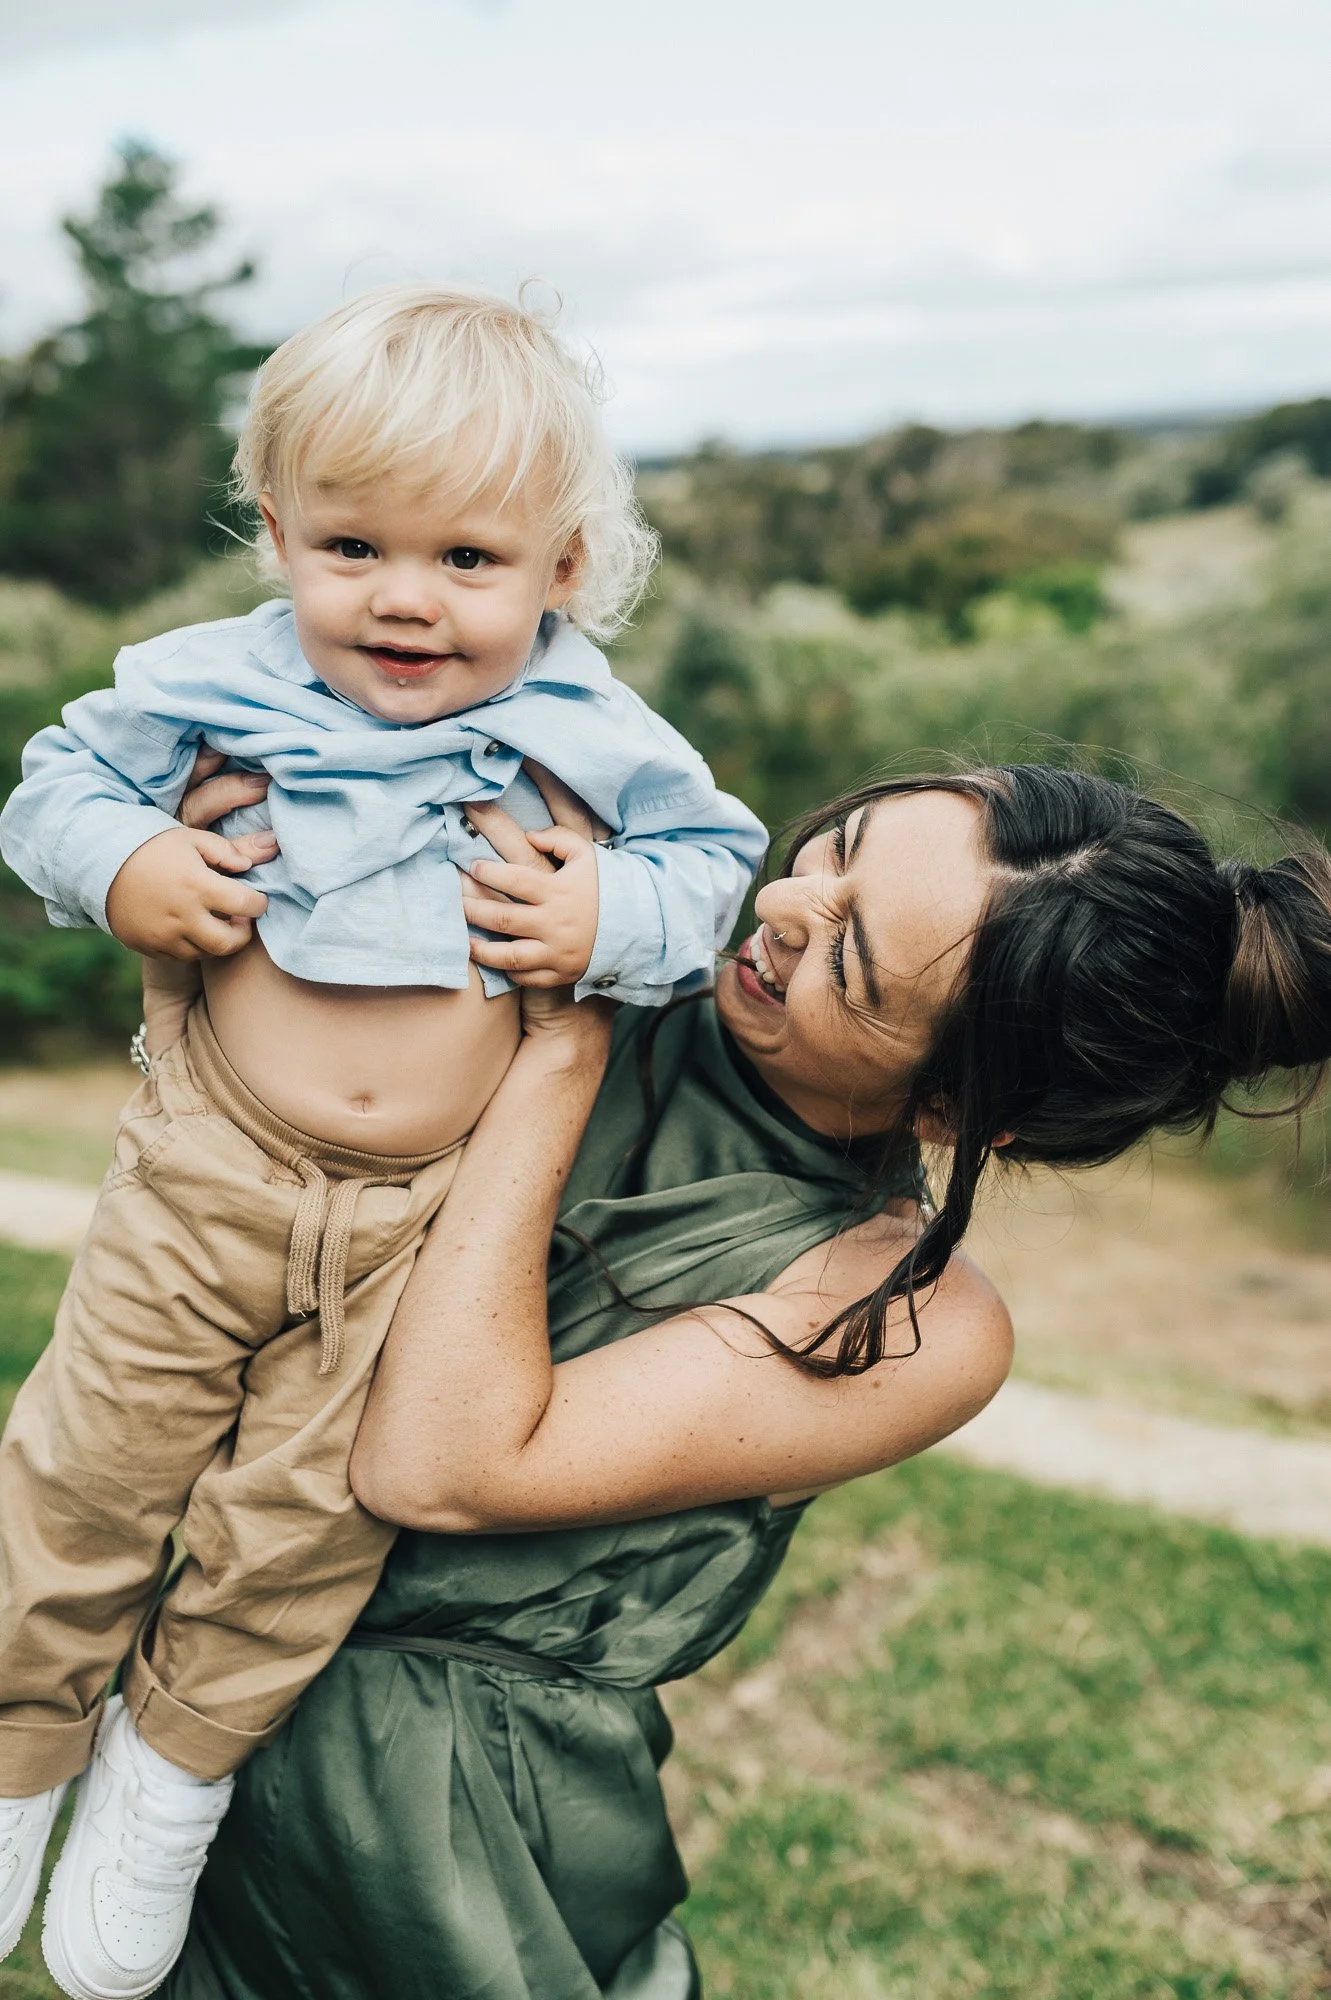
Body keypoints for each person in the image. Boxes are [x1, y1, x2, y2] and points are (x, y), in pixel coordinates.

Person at [155, 757, 1331, 2000]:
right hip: (206, 1651)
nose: (781, 904)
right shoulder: (602, 943)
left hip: (430, 1815)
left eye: (849, 964)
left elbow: (436, 1464)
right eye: (838, 847)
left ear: (950, 1106)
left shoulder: (903, 1310)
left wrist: (561, 1051)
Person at [0, 286, 765, 2000]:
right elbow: (51, 787)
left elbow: (717, 871)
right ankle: (15, 1757)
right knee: (82, 1477)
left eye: (469, 562)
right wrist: (128, 869)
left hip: (424, 1221)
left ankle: (166, 1775)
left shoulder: (599, 734)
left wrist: (604, 910)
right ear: (276, 537)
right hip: (210, 1172)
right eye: (352, 545)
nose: (405, 598)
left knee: (299, 1527)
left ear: (561, 567)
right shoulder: (208, 684)